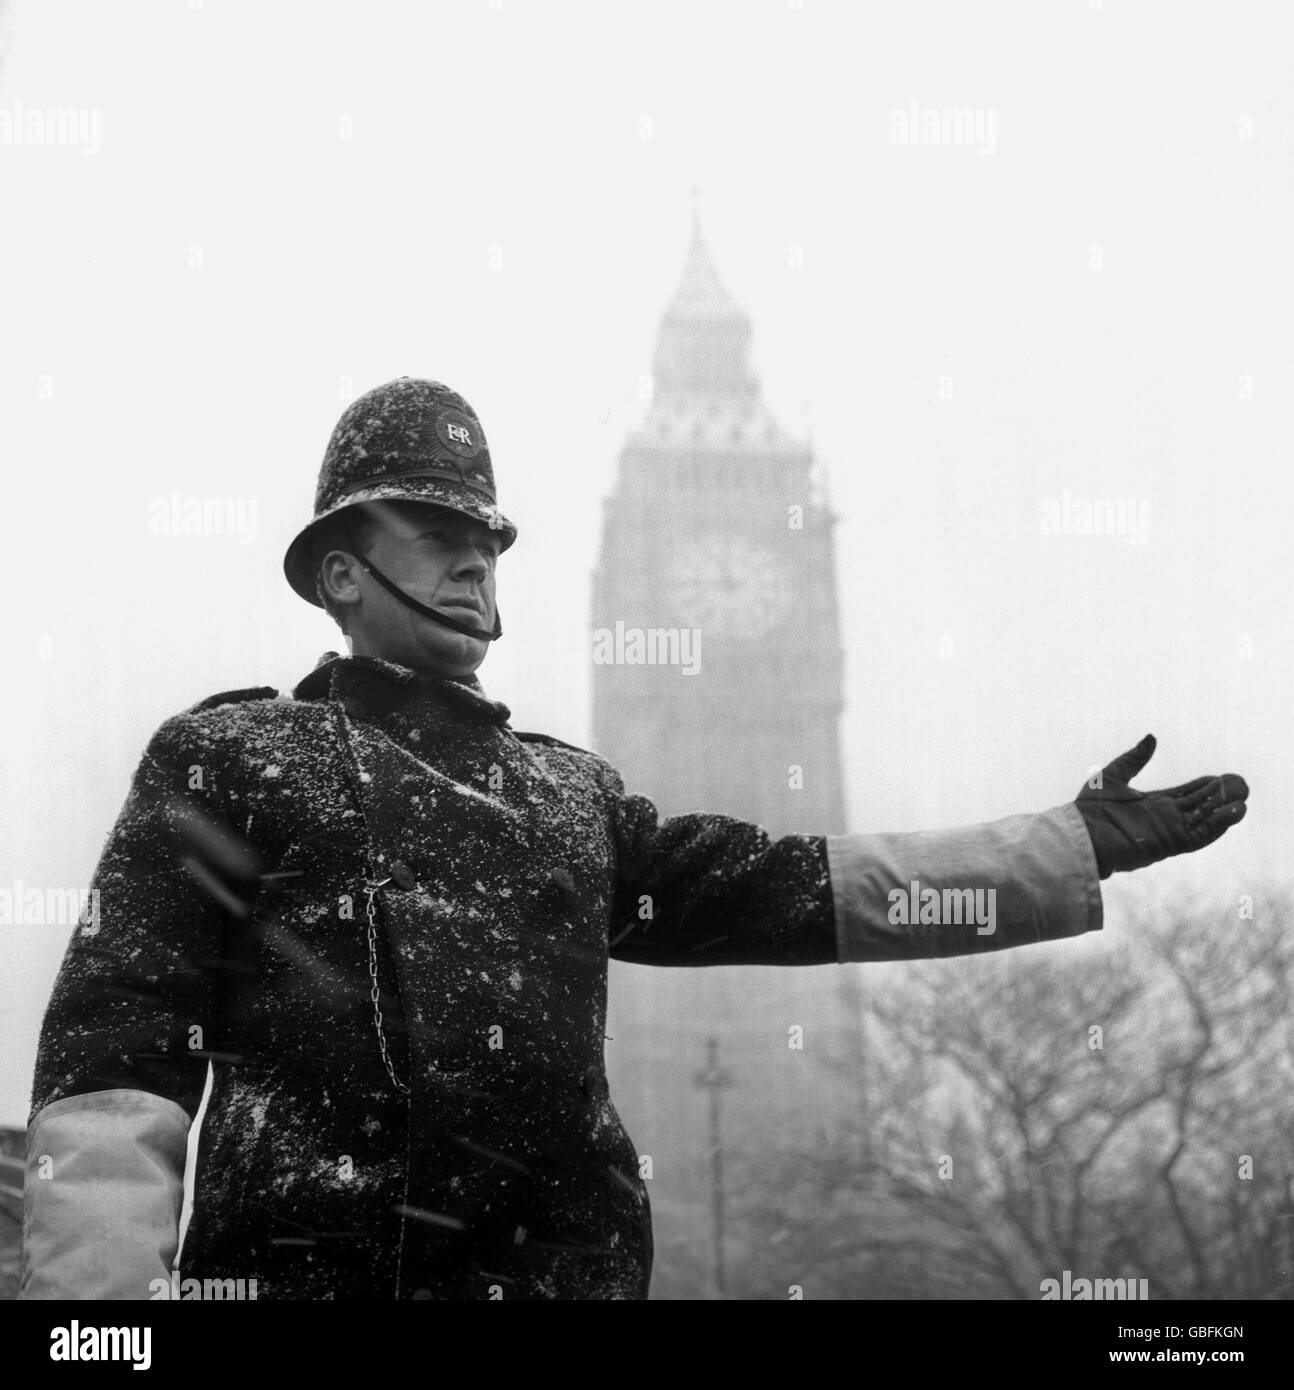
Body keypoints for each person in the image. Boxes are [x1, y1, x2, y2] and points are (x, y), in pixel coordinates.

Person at [19, 378, 1249, 1300]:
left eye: (485, 541)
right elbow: (117, 1057)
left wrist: (1063, 844)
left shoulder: (571, 798)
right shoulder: (232, 757)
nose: (471, 562)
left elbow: (800, 887)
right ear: (340, 574)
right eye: (430, 531)